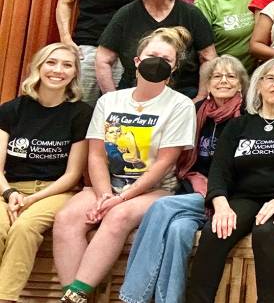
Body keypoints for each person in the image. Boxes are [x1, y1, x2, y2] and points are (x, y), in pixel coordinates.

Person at [52, 27, 197, 303]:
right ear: (137, 60)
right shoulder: (110, 101)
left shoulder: (180, 105)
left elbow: (165, 163)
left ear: (174, 67)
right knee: (67, 218)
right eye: (153, 55)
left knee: (118, 217)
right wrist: (105, 194)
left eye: (166, 59)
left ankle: (75, 295)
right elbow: (96, 155)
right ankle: (72, 296)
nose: (158, 62)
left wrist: (121, 199)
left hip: (154, 190)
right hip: (107, 184)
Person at [118, 56, 248, 303]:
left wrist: (212, 189)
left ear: (241, 85)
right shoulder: (195, 111)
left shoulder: (246, 117)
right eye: (216, 76)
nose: (223, 81)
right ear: (207, 84)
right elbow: (182, 161)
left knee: (162, 205)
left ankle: (132, 297)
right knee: (178, 231)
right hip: (191, 190)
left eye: (230, 76)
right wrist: (195, 179)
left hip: (227, 198)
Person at [186, 58, 274, 303]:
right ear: (258, 85)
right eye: (270, 78)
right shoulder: (239, 124)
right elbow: (219, 170)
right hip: (244, 197)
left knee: (265, 233)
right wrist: (221, 205)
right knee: (215, 232)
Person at [0, 44, 91, 302]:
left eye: (67, 65)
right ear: (38, 67)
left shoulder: (81, 113)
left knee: (25, 227)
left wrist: (32, 200)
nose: (58, 70)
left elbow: (72, 175)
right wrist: (9, 192)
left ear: (74, 73)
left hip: (55, 191)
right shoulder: (10, 110)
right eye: (51, 62)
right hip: (11, 188)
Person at [95, 0, 216, 100]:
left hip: (182, 95)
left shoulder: (191, 14)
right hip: (133, 93)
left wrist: (200, 98)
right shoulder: (126, 14)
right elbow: (103, 59)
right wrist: (112, 99)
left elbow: (208, 58)